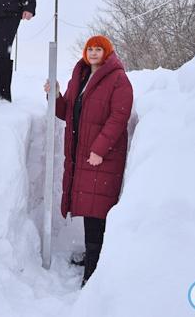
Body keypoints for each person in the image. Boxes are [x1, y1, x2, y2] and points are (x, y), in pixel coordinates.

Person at [44, 35, 133, 287]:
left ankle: (94, 272)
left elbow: (119, 117)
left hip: (102, 157)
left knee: (98, 212)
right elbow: (67, 112)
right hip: (83, 155)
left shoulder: (118, 79)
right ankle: (93, 257)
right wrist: (56, 95)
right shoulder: (81, 77)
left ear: (107, 53)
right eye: (90, 49)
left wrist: (100, 149)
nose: (93, 53)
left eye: (98, 49)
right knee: (90, 209)